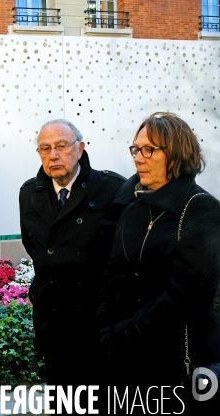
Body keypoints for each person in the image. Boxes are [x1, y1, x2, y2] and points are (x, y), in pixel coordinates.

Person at [97, 112, 220, 412]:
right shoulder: (134, 206)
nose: (138, 158)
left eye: (149, 149)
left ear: (176, 153)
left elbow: (186, 294)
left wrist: (125, 333)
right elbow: (113, 274)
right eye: (136, 149)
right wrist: (105, 323)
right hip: (127, 362)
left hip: (175, 364)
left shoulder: (201, 209)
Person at [19, 119, 126, 391]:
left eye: (61, 146)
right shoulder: (30, 193)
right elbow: (34, 248)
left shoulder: (112, 189)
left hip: (97, 327)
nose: (53, 155)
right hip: (54, 325)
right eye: (45, 148)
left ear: (80, 149)